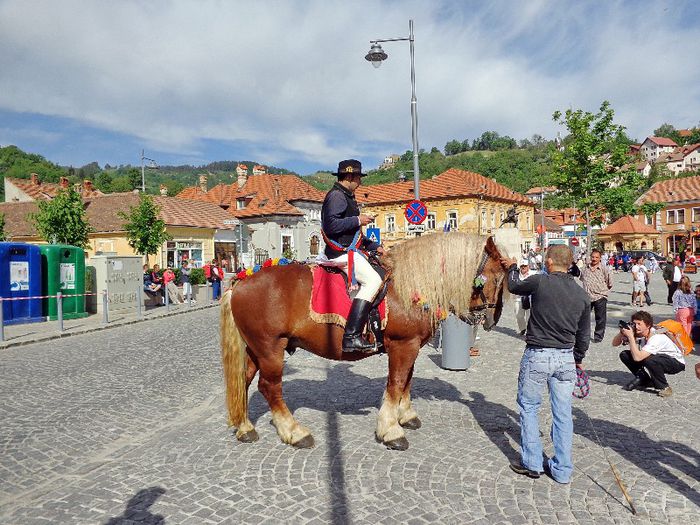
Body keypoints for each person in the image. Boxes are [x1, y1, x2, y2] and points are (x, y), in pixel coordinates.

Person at [501, 244, 590, 483]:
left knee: (529, 407)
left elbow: (514, 285)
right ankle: (562, 470)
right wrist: (578, 359)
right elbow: (584, 335)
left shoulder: (540, 281)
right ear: (570, 263)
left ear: (549, 261)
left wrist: (511, 267)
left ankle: (532, 463)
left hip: (538, 354)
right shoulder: (582, 294)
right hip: (565, 358)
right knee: (563, 413)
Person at [320, 159, 383, 352]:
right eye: (358, 178)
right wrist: (358, 219)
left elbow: (351, 235)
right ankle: (352, 336)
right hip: (340, 253)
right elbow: (331, 225)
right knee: (374, 282)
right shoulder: (337, 196)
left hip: (348, 249)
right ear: (349, 177)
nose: (360, 182)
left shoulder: (346, 196)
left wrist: (376, 246)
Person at [614, 310, 685, 397]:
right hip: (656, 357)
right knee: (625, 355)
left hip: (676, 362)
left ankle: (665, 387)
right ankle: (645, 380)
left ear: (648, 325)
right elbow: (614, 344)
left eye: (639, 324)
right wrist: (621, 332)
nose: (636, 327)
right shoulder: (640, 332)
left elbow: (637, 358)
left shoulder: (656, 337)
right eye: (634, 324)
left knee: (651, 360)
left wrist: (631, 337)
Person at [580, 249, 613, 343]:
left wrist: (602, 291)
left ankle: (598, 336)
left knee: (600, 318)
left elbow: (609, 283)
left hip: (600, 296)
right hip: (587, 296)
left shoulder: (604, 269)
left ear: (600, 258)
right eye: (593, 257)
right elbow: (582, 278)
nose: (594, 259)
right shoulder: (585, 268)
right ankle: (583, 335)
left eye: (596, 257)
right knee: (584, 317)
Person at [513, 259, 535, 336]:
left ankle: (529, 332)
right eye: (522, 266)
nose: (523, 267)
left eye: (525, 266)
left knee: (529, 317)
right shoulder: (517, 274)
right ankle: (522, 328)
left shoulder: (533, 274)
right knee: (519, 316)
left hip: (530, 298)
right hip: (519, 298)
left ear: (528, 266)